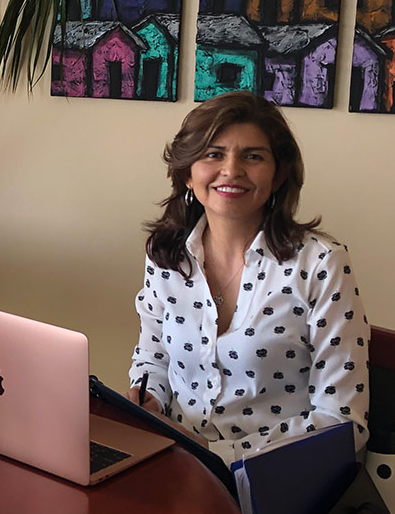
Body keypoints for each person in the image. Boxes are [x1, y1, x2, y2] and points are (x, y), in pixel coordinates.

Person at [128, 92, 369, 466]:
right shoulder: (166, 254)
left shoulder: (322, 263)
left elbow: (344, 422)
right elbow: (153, 357)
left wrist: (218, 455)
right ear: (187, 173)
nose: (232, 170)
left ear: (279, 174)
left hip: (276, 480)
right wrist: (149, 397)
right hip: (173, 463)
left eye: (253, 156)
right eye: (213, 154)